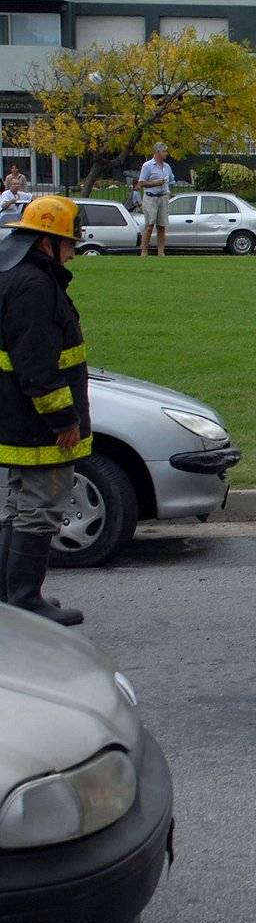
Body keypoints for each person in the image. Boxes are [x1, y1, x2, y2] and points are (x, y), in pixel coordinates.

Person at [0, 196, 90, 625]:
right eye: (69, 242)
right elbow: (37, 366)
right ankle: (23, 598)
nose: (74, 249)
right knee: (40, 505)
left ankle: (10, 595)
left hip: (19, 420)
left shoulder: (17, 278)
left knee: (20, 506)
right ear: (46, 242)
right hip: (40, 426)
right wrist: (65, 420)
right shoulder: (34, 287)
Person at [135, 141, 175, 256]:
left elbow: (171, 180)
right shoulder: (147, 166)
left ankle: (161, 252)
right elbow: (141, 183)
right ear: (158, 152)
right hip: (150, 198)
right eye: (164, 151)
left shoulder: (167, 167)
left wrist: (168, 190)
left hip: (163, 198)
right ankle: (144, 251)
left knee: (162, 226)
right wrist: (156, 183)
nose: (166, 153)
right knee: (149, 225)